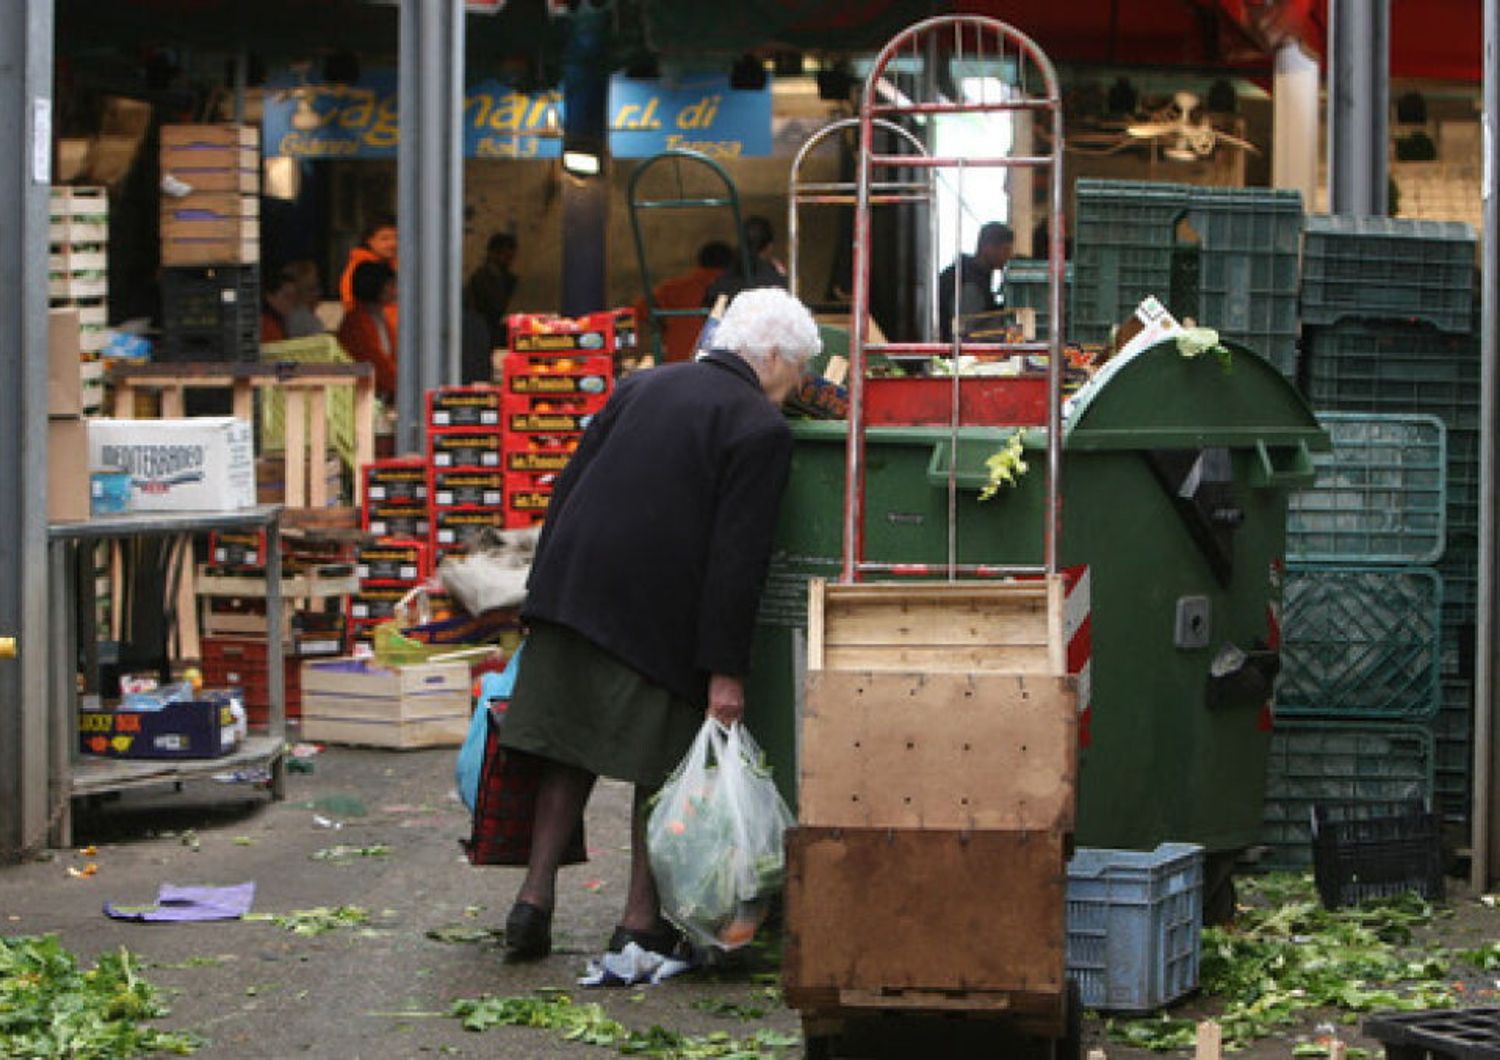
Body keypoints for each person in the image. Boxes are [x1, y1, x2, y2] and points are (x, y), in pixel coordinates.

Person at [497, 286, 822, 963]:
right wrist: (726, 673)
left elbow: (567, 486)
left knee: (567, 749)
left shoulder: (643, 385)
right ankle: (640, 923)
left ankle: (533, 902)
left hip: (572, 588)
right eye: (799, 372)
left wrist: (540, 597)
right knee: (663, 766)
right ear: (770, 357)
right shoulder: (760, 429)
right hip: (656, 612)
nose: (799, 389)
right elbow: (739, 561)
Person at [635, 240, 733, 362]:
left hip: (678, 363)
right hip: (716, 366)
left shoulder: (677, 288)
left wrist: (664, 327)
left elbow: (642, 308)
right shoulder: (735, 291)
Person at [938, 221, 1014, 342]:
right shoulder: (968, 282)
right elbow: (966, 331)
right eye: (1005, 250)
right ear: (988, 248)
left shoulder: (975, 274)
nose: (1008, 256)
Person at [335, 260, 398, 402]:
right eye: (391, 285)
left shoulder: (378, 316)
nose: (395, 290)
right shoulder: (357, 323)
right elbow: (376, 364)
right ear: (375, 287)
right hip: (360, 395)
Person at [702, 216, 787, 309]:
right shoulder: (773, 277)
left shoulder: (726, 274)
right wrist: (782, 276)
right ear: (769, 246)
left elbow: (710, 302)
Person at [338, 214, 399, 341]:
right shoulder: (359, 269)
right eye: (385, 239)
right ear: (369, 240)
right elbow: (351, 304)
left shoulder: (395, 265)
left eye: (397, 238)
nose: (392, 244)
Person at [465, 233, 519, 351]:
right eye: (504, 255)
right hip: (485, 333)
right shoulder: (482, 279)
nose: (508, 260)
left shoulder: (507, 279)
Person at [279, 259, 328, 337]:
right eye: (311, 290)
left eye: (318, 287)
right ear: (295, 293)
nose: (318, 293)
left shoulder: (285, 318)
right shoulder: (307, 322)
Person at [260, 269, 302, 343]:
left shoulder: (281, 322)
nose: (293, 302)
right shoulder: (266, 325)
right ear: (270, 297)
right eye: (287, 296)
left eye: (295, 296)